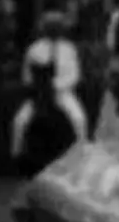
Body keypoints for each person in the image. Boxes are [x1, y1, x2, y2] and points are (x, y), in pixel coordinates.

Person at [10, 12, 86, 159]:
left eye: (56, 26)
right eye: (51, 26)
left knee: (79, 118)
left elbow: (75, 75)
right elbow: (26, 77)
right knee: (19, 121)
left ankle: (81, 154)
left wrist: (56, 86)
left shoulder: (69, 48)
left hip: (63, 93)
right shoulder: (34, 49)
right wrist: (40, 88)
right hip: (39, 94)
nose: (54, 29)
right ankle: (16, 156)